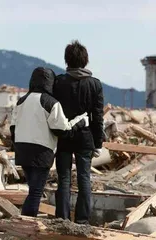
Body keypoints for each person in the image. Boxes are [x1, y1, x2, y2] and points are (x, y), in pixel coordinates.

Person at [10, 67, 89, 217]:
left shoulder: (21, 101)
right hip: (41, 151)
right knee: (36, 192)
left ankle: (24, 221)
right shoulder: (51, 102)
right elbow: (63, 130)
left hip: (22, 149)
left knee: (33, 189)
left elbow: (13, 128)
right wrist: (81, 121)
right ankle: (26, 223)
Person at [54, 40, 104, 224]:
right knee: (84, 178)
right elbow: (97, 117)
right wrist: (98, 142)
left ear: (67, 60)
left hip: (63, 137)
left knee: (64, 179)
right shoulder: (95, 85)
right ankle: (82, 221)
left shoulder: (58, 82)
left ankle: (62, 219)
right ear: (85, 61)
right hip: (85, 137)